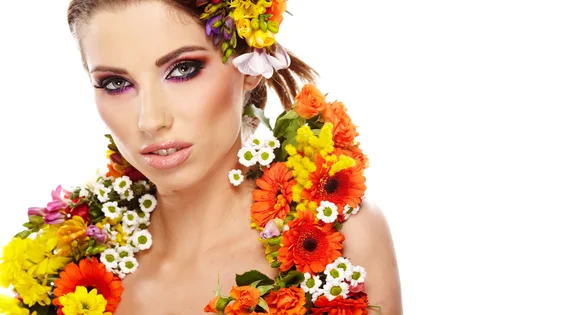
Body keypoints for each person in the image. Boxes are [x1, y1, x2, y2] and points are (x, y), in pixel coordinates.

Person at [0, 0, 402, 314]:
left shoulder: (346, 238)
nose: (151, 120)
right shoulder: (63, 260)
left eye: (184, 69)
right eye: (115, 82)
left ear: (250, 63)